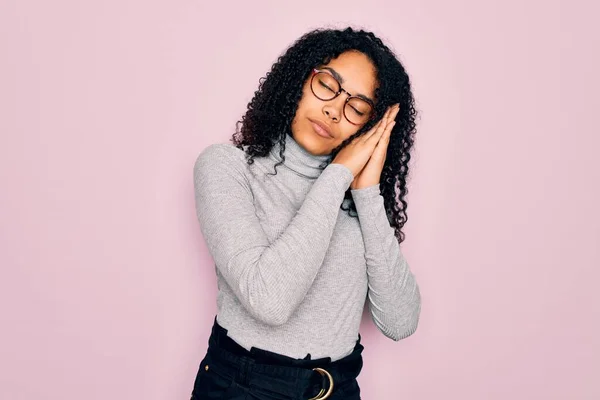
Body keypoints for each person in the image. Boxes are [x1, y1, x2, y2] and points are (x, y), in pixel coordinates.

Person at [191, 26, 421, 400]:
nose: (333, 110)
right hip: (243, 387)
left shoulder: (358, 198)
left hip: (339, 388)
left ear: (371, 127)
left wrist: (365, 190)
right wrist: (338, 174)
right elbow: (270, 301)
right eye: (327, 85)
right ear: (299, 78)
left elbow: (399, 322)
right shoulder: (226, 167)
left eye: (358, 108)